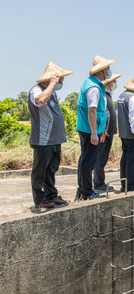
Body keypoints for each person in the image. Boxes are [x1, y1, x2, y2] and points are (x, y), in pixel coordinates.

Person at [28, 62, 73, 208]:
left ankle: (51, 195)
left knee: (51, 170)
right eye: (60, 79)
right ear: (50, 78)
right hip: (43, 139)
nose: (61, 82)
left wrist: (52, 86)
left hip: (55, 139)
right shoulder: (36, 89)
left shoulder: (52, 91)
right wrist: (52, 84)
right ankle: (39, 199)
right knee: (40, 171)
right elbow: (40, 100)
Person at [75, 55, 115, 200]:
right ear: (102, 71)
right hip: (90, 129)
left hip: (89, 128)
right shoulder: (94, 87)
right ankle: (87, 192)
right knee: (88, 162)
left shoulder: (90, 83)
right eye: (108, 69)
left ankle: (81, 190)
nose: (109, 72)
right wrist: (94, 133)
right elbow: (92, 110)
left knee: (84, 160)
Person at [92, 73, 121, 191]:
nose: (115, 83)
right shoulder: (103, 96)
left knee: (103, 158)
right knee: (100, 158)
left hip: (108, 133)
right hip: (105, 133)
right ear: (108, 83)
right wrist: (103, 130)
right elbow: (103, 113)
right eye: (113, 81)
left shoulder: (108, 95)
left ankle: (100, 182)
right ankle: (99, 184)